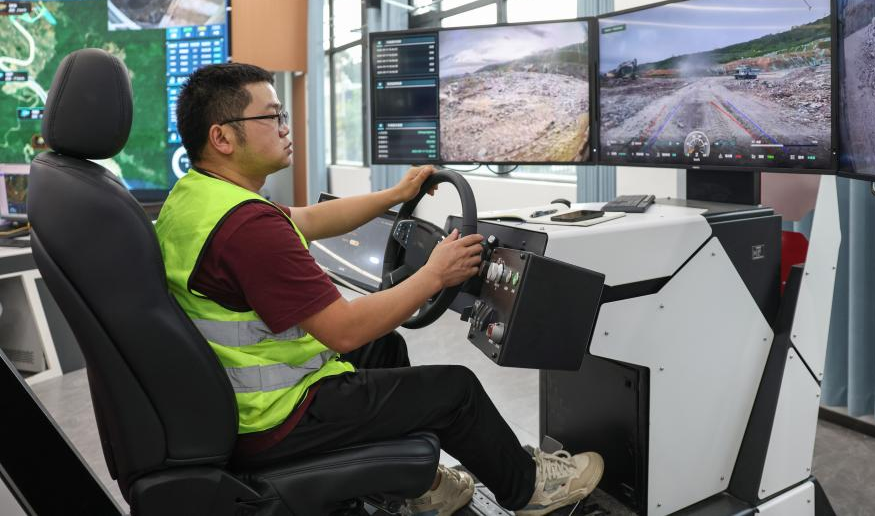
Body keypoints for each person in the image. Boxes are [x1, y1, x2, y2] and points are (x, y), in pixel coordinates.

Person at [155, 63, 604, 516]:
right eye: (272, 117)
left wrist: (394, 195)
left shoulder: (199, 198)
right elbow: (344, 329)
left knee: (383, 346)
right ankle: (529, 490)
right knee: (455, 390)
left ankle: (420, 485)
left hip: (237, 404)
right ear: (222, 138)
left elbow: (309, 219)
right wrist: (434, 274)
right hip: (276, 417)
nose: (285, 127)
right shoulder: (250, 229)